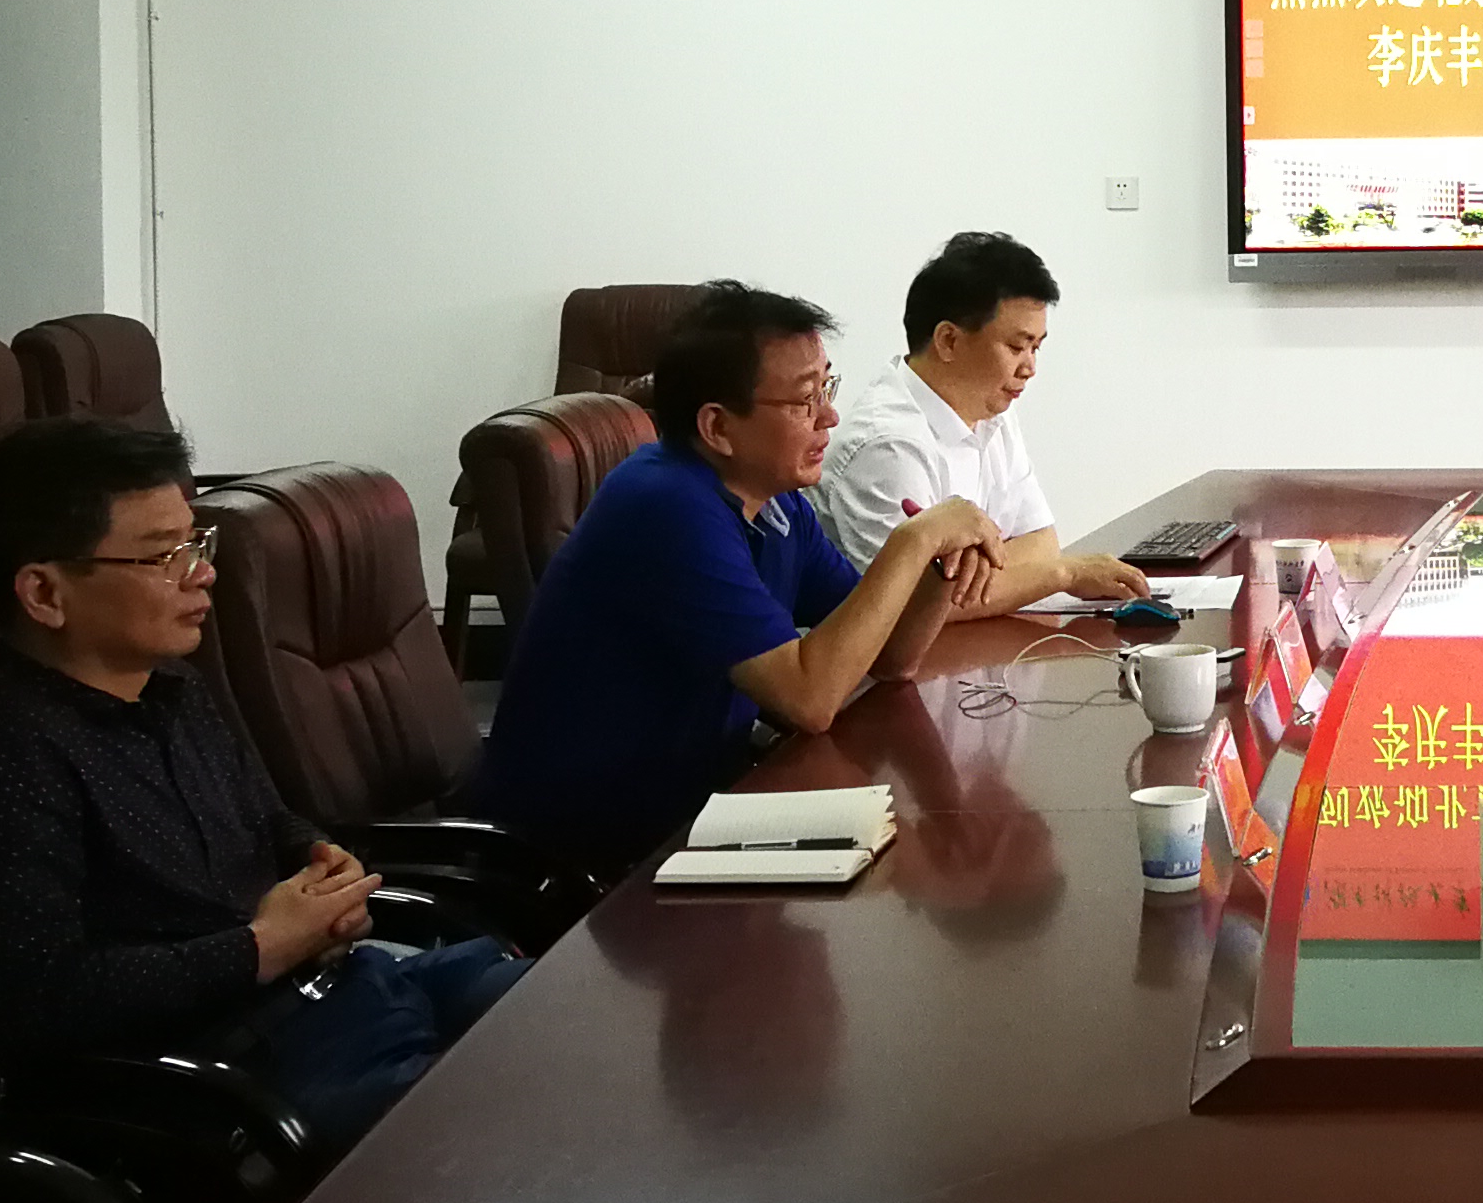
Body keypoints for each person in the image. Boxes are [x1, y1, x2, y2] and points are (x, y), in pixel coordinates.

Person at [0, 418, 524, 1155]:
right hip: (237, 1077)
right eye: (163, 556)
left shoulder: (168, 683)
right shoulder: (1, 751)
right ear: (44, 593)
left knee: (575, 1015)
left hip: (343, 989)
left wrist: (318, 861)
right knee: (525, 1129)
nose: (202, 574)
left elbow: (268, 820)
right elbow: (33, 996)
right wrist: (261, 946)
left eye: (196, 545)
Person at [469, 283, 997, 870]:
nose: (829, 416)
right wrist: (912, 540)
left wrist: (941, 568)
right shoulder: (667, 505)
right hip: (584, 852)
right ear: (717, 427)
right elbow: (809, 700)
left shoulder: (775, 501)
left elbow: (891, 658)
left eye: (827, 387)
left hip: (695, 808)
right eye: (805, 400)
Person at [816, 230, 1148, 615]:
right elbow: (915, 608)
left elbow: (1042, 541)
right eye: (1016, 347)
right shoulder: (887, 445)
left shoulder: (995, 412)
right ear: (948, 341)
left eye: (1036, 347)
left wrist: (974, 576)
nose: (1030, 368)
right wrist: (1064, 575)